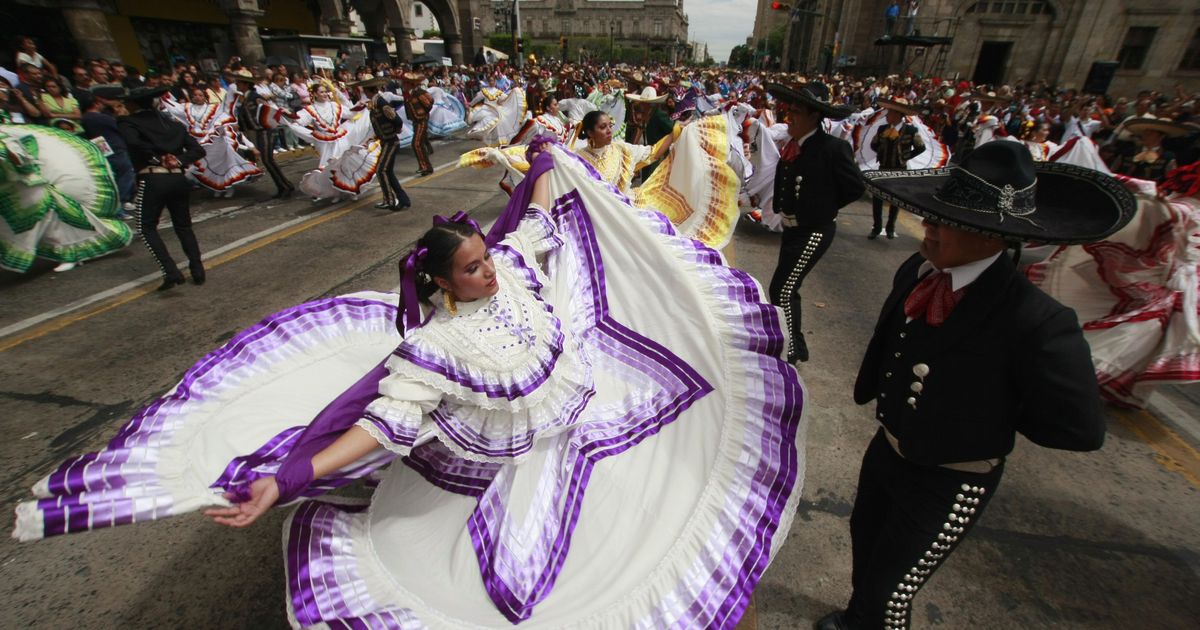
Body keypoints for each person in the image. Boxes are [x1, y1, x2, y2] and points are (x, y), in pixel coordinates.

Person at [15, 138, 806, 630]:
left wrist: (544, 166)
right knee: (500, 583)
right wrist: (289, 477)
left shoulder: (519, 276)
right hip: (496, 463)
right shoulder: (432, 348)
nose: (489, 269)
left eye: (484, 257)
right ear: (441, 284)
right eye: (472, 267)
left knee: (677, 444)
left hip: (570, 420)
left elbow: (530, 226)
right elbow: (384, 425)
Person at [814, 141, 1136, 630]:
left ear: (993, 234)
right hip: (889, 451)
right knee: (867, 549)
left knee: (891, 595)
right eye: (932, 215)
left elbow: (1078, 429)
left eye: (946, 220)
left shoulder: (1036, 318)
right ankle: (855, 620)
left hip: (952, 478)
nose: (929, 226)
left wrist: (987, 412)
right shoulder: (917, 270)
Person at [765, 81, 865, 363]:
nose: (789, 117)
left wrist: (822, 208)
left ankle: (791, 354)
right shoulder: (793, 145)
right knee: (785, 287)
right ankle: (797, 345)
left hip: (815, 230)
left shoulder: (833, 148)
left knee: (783, 288)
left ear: (814, 116)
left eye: (796, 111)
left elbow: (855, 187)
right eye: (788, 110)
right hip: (792, 229)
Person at [117, 85, 207, 290]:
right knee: (183, 226)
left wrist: (158, 158)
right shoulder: (171, 124)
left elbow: (133, 143)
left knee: (146, 226)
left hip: (153, 178)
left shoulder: (128, 123)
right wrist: (178, 160)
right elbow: (197, 149)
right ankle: (197, 268)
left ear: (131, 105)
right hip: (177, 179)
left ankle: (170, 270)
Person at [576, 110, 675, 194]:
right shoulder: (579, 158)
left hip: (623, 208)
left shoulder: (621, 149)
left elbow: (653, 152)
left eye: (610, 126)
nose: (609, 130)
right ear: (590, 132)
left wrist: (675, 132)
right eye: (603, 127)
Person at [868, 98, 925, 239]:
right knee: (877, 199)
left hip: (899, 170)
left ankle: (890, 228)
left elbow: (920, 147)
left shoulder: (911, 130)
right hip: (883, 168)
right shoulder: (883, 129)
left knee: (895, 201)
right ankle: (876, 227)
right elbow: (873, 144)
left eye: (890, 113)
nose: (887, 115)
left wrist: (905, 156)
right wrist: (882, 153)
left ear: (899, 114)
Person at [232, 69, 294, 198]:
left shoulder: (255, 97)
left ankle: (285, 186)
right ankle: (284, 185)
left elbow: (268, 112)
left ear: (245, 84)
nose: (237, 85)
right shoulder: (246, 98)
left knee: (267, 160)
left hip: (266, 131)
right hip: (259, 131)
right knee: (267, 160)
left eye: (239, 82)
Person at [80, 86, 136, 213]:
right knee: (124, 175)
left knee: (117, 176)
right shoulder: (100, 118)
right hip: (115, 148)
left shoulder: (86, 118)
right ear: (96, 103)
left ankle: (121, 204)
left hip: (105, 149)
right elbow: (119, 125)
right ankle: (120, 206)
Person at [359, 76, 410, 210]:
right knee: (388, 171)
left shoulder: (381, 103)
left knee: (381, 170)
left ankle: (390, 200)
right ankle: (403, 199)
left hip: (390, 142)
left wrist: (395, 131)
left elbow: (397, 120)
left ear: (367, 91)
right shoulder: (375, 103)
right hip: (386, 140)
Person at [1110, 117, 1187, 181]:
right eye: (1144, 133)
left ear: (1161, 137)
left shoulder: (1167, 157)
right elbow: (1112, 172)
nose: (1145, 136)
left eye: (1150, 134)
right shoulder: (1128, 152)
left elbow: (1171, 181)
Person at [403, 72, 435, 176]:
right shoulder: (410, 93)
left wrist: (422, 113)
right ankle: (426, 167)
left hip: (421, 120)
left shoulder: (418, 92)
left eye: (405, 83)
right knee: (419, 143)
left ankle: (425, 166)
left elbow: (429, 103)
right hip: (416, 120)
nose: (403, 85)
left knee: (416, 143)